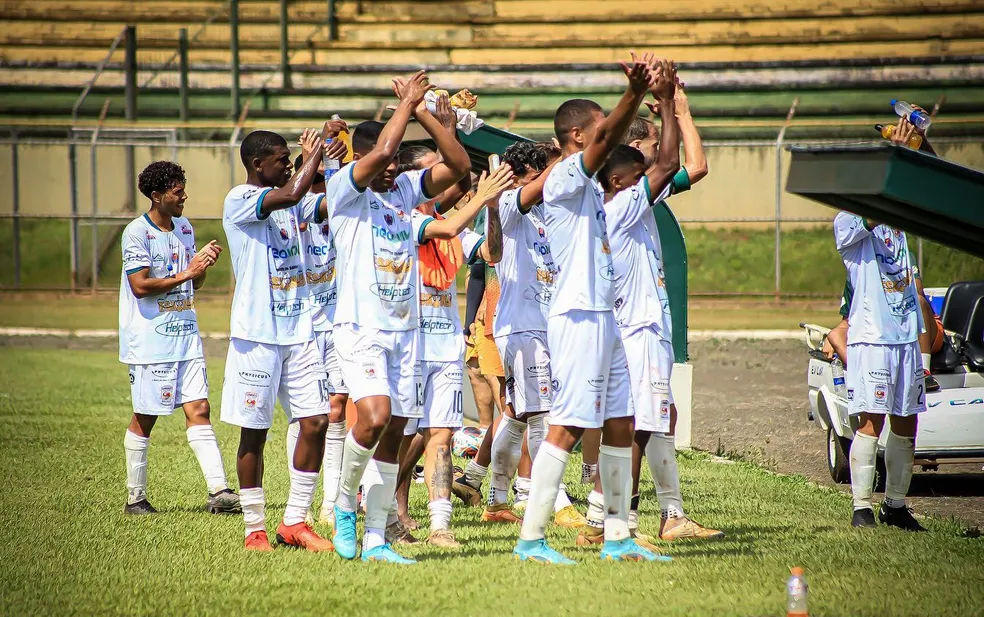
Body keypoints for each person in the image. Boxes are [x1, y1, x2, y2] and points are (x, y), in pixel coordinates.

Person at [513, 53, 665, 565]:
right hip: (577, 316)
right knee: (569, 425)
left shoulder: (590, 185)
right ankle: (532, 539)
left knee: (622, 419)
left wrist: (661, 98)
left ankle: (617, 535)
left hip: (606, 316)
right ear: (578, 136)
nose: (609, 136)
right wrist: (636, 93)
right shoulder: (563, 178)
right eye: (599, 127)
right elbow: (606, 142)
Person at [325, 71, 471, 564]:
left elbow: (459, 165)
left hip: (406, 331)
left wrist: (425, 112)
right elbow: (384, 154)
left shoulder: (405, 193)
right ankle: (346, 503)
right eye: (380, 162)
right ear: (360, 160)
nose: (391, 170)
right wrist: (406, 104)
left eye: (392, 164)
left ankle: (375, 539)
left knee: (394, 434)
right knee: (375, 417)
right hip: (361, 328)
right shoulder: (344, 188)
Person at [591, 83, 722, 546]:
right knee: (636, 426)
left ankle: (664, 514)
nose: (653, 169)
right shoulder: (622, 206)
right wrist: (671, 109)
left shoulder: (633, 200)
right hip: (637, 328)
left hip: (647, 325)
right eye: (641, 163)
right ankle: (615, 522)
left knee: (653, 420)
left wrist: (682, 114)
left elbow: (696, 166)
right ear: (621, 179)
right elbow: (671, 164)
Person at [220, 125, 339, 552]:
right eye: (281, 158)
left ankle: (294, 522)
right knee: (254, 432)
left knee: (317, 422)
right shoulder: (241, 199)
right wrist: (313, 156)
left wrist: (336, 161)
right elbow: (290, 194)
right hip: (258, 337)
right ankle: (254, 527)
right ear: (257, 164)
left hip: (301, 331)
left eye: (292, 158)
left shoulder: (295, 199)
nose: (288, 163)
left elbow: (322, 203)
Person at [119, 161, 239, 516]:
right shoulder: (136, 233)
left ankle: (219, 492)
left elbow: (192, 283)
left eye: (183, 187)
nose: (184, 195)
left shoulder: (184, 227)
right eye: (177, 190)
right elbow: (139, 286)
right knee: (146, 416)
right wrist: (186, 271)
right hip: (151, 342)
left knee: (199, 409)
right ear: (156, 196)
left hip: (186, 337)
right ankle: (135, 499)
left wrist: (200, 268)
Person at [407, 163, 513, 547]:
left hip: (444, 349)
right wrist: (482, 197)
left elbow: (492, 254)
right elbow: (450, 224)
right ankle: (384, 508)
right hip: (407, 349)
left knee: (441, 436)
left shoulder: (452, 228)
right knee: (400, 441)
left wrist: (495, 208)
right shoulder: (401, 220)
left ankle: (440, 526)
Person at [482, 141, 585, 528]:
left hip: (546, 324)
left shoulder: (545, 214)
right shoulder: (509, 204)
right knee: (544, 415)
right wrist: (568, 156)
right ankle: (555, 504)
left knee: (517, 416)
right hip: (523, 326)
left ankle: (495, 499)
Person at [834, 117, 928, 531]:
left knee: (906, 421)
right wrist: (897, 156)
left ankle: (895, 504)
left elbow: (931, 184)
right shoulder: (849, 217)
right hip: (872, 336)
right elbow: (873, 213)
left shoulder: (899, 218)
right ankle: (861, 507)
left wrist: (918, 145)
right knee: (870, 421)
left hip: (905, 334)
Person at [283, 144, 351, 530]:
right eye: (317, 180)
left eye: (327, 181)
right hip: (302, 326)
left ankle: (332, 502)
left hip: (337, 322)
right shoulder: (292, 212)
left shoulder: (339, 211)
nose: (323, 187)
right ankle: (301, 503)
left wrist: (336, 164)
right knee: (307, 415)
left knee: (338, 409)